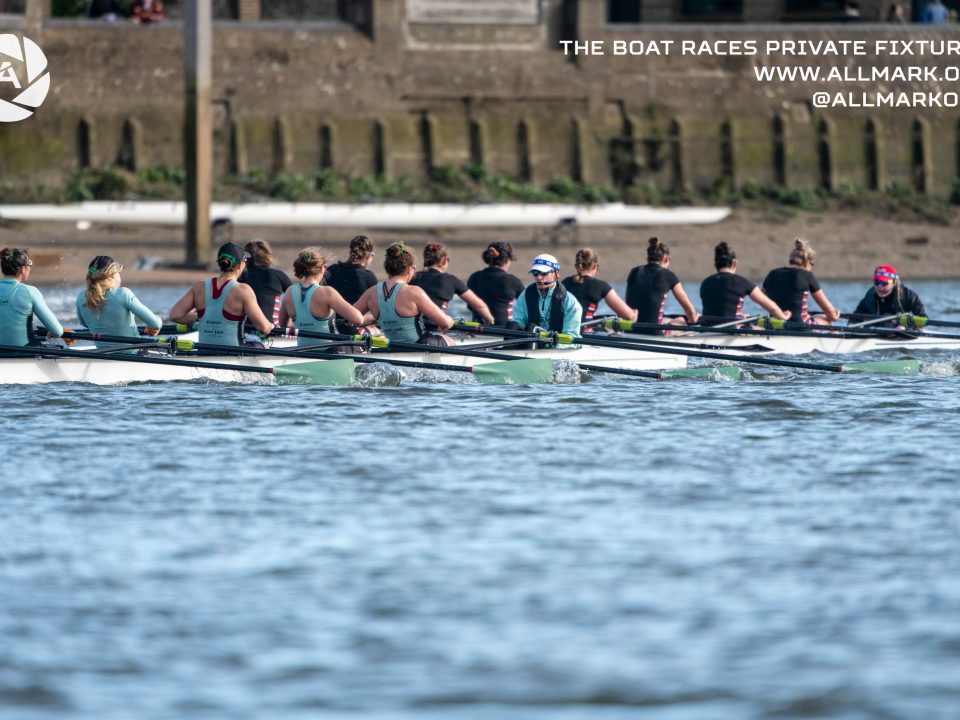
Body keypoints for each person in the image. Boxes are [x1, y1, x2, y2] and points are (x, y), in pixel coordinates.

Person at [168, 242, 274, 346]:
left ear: (219, 262)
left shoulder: (199, 287)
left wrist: (202, 316)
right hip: (235, 353)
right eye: (244, 261)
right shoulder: (243, 290)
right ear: (240, 265)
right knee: (259, 344)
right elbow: (263, 328)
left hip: (204, 352)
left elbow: (175, 315)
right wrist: (270, 326)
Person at [354, 242, 455, 346]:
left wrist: (372, 319)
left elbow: (350, 319)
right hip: (421, 345)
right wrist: (451, 321)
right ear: (408, 269)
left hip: (393, 347)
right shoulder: (414, 292)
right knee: (449, 340)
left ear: (387, 268)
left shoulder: (370, 293)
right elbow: (445, 323)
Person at [278, 247, 365, 349]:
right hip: (329, 352)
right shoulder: (327, 292)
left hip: (302, 352)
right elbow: (358, 319)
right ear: (322, 268)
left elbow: (283, 324)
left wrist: (305, 325)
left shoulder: (289, 292)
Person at [76, 255, 163, 346]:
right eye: (118, 272)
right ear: (112, 275)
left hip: (102, 353)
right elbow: (156, 324)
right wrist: (151, 326)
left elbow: (85, 324)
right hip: (132, 352)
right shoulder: (124, 294)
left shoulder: (81, 297)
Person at [699, 242, 790, 325]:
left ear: (715, 265)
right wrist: (784, 317)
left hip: (705, 331)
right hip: (731, 332)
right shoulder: (741, 282)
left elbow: (718, 309)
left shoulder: (705, 283)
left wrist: (738, 316)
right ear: (734, 263)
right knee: (756, 327)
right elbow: (772, 308)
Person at [410, 242, 494, 324]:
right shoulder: (451, 280)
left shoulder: (413, 277)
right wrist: (490, 321)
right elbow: (480, 306)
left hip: (414, 327)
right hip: (436, 327)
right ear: (444, 260)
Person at [762, 239, 839, 326]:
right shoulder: (807, 275)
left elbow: (762, 298)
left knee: (815, 316)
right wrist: (835, 316)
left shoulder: (772, 274)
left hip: (775, 324)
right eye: (812, 264)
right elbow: (830, 313)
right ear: (807, 263)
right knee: (827, 321)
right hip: (800, 325)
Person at [625, 237, 699, 327]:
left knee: (666, 319)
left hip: (629, 329)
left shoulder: (634, 271)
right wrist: (694, 317)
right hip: (654, 332)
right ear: (666, 259)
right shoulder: (668, 275)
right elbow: (691, 315)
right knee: (681, 320)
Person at [0, 247, 63, 346]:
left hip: (2, 351)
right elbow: (57, 331)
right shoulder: (30, 292)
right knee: (57, 347)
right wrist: (51, 332)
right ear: (22, 269)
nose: (30, 268)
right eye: (30, 265)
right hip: (25, 352)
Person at [510, 253, 582, 338]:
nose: (539, 277)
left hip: (558, 345)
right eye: (535, 273)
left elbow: (570, 336)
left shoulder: (570, 302)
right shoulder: (525, 296)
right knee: (512, 326)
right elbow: (518, 323)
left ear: (555, 273)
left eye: (544, 273)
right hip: (532, 342)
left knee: (531, 328)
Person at [561, 247, 637, 326]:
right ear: (595, 266)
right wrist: (635, 314)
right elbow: (629, 316)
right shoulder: (600, 286)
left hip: (563, 331)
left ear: (576, 266)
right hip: (585, 332)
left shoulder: (564, 283)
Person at [325, 235, 378, 333]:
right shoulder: (369, 277)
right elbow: (379, 312)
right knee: (376, 330)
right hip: (352, 329)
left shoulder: (331, 270)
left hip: (329, 328)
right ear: (369, 255)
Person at [466, 241, 525, 326]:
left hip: (478, 330)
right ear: (507, 260)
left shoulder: (474, 278)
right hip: (505, 331)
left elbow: (470, 306)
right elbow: (528, 308)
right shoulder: (512, 281)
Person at [238, 239, 292, 330]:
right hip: (272, 330)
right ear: (267, 256)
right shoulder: (277, 275)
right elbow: (296, 297)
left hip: (245, 330)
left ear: (246, 259)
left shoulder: (241, 277)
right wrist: (287, 322)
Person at [852, 265, 926, 322]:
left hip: (902, 332)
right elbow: (855, 318)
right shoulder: (869, 296)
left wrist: (906, 323)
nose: (879, 286)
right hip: (875, 331)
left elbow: (923, 318)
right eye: (877, 282)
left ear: (894, 282)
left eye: (884, 283)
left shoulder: (908, 295)